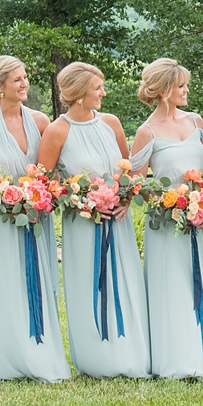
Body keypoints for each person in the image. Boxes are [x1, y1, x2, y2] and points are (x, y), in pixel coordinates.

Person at [0, 55, 68, 383]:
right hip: (0, 222)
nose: (25, 84)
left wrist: (41, 197)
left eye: (25, 77)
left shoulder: (40, 121)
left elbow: (53, 171)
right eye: (18, 79)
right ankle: (7, 360)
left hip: (35, 218)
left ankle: (40, 354)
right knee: (5, 286)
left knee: (34, 283)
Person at [42, 62, 149, 379]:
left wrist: (125, 199)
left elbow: (126, 172)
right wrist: (83, 201)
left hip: (117, 220)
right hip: (83, 225)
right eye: (97, 87)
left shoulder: (111, 123)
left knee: (126, 281)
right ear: (77, 93)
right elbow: (45, 183)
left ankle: (131, 353)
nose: (103, 92)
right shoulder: (57, 130)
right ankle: (97, 358)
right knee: (89, 283)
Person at [132, 58, 203, 379]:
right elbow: (137, 183)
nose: (186, 90)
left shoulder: (196, 122)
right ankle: (180, 360)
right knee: (174, 287)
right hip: (167, 223)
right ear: (166, 90)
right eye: (181, 86)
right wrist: (169, 203)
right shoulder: (147, 131)